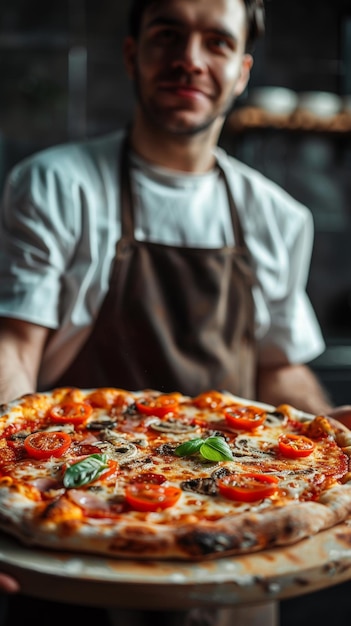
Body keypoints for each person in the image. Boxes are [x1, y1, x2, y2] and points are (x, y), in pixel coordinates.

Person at [0, 0, 351, 623]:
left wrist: (328, 431)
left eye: (216, 42)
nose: (190, 59)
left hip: (237, 557)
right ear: (133, 53)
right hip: (76, 533)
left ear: (241, 70)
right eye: (168, 35)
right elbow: (16, 347)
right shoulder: (56, 184)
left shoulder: (278, 215)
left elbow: (278, 368)